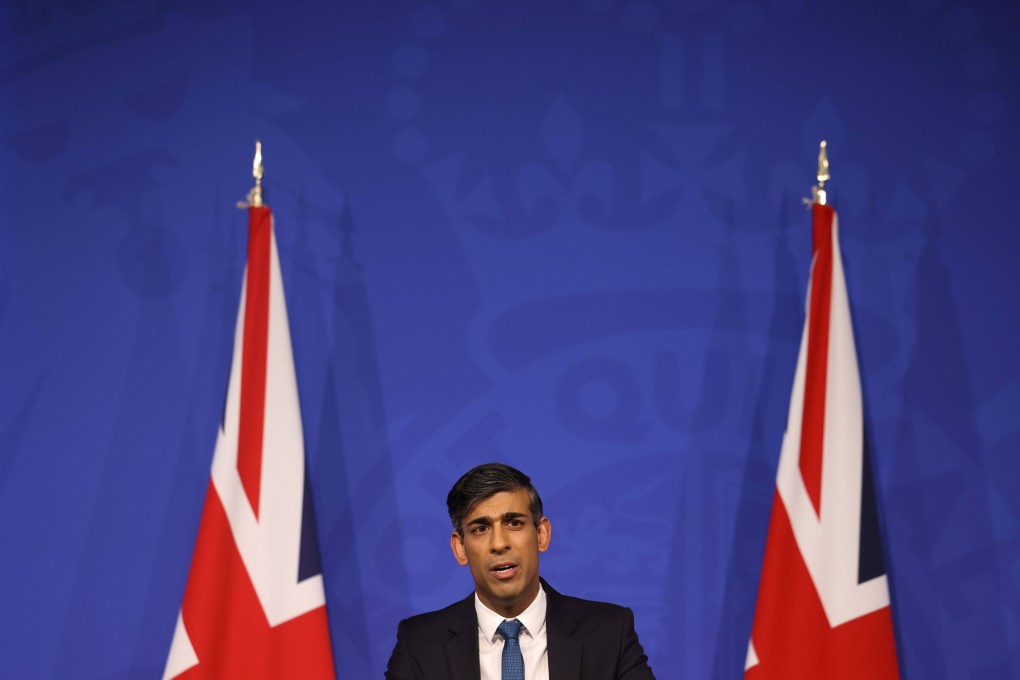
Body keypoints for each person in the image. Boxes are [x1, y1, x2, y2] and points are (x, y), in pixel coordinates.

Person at [385, 462, 655, 679]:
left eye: (514, 523)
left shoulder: (609, 632)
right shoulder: (419, 644)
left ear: (541, 534)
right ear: (460, 548)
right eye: (480, 529)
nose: (499, 543)